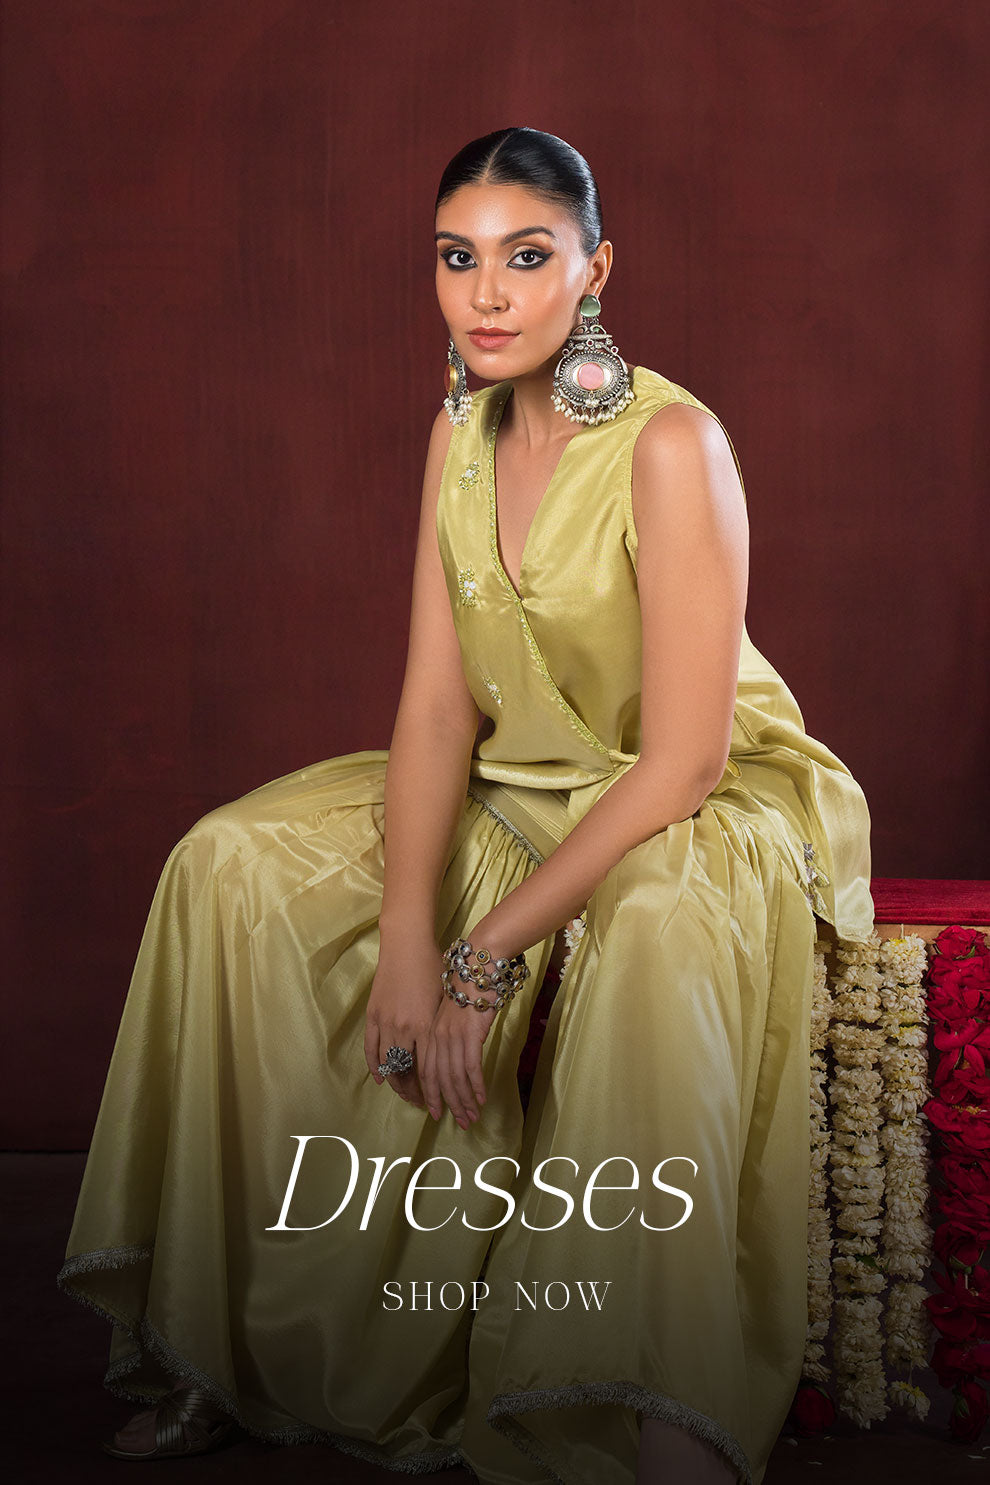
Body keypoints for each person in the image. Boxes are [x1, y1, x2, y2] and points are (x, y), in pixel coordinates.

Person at [57, 126, 874, 1485]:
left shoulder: (673, 445)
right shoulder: (458, 431)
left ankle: (655, 1414)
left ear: (594, 271)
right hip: (519, 781)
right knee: (228, 860)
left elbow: (681, 762)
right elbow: (439, 708)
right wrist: (401, 940)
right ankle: (229, 1352)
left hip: (692, 798)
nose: (485, 295)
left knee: (653, 933)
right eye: (457, 258)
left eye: (526, 257)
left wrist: (480, 954)